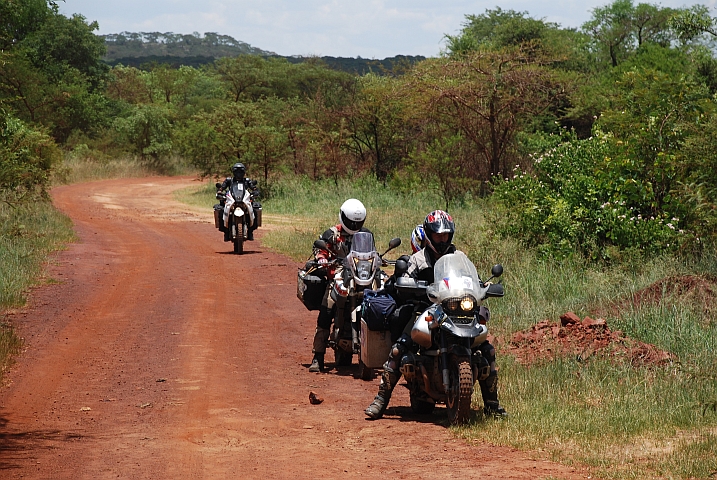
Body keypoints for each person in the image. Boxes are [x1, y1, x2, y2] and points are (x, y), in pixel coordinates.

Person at [364, 209, 507, 419]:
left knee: (487, 350)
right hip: (425, 308)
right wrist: (406, 283)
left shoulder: (459, 257)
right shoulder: (417, 259)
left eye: (446, 235)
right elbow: (403, 280)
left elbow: (471, 280)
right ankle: (380, 400)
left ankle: (492, 405)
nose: (442, 239)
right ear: (429, 235)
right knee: (398, 350)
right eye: (438, 235)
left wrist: (484, 287)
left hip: (458, 309)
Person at [309, 198, 371, 372]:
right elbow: (320, 249)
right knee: (326, 311)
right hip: (337, 277)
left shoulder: (366, 234)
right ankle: (318, 357)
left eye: (357, 222)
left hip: (361, 277)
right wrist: (322, 259)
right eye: (351, 221)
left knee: (376, 304)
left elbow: (371, 253)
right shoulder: (331, 234)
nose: (353, 224)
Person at [218, 162, 259, 242]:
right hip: (232, 200)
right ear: (234, 172)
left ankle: (250, 231)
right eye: (237, 172)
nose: (239, 174)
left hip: (244, 200)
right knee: (221, 210)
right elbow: (222, 187)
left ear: (244, 172)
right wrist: (220, 191)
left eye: (241, 172)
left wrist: (255, 191)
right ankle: (226, 232)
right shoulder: (229, 180)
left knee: (255, 209)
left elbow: (253, 187)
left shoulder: (247, 181)